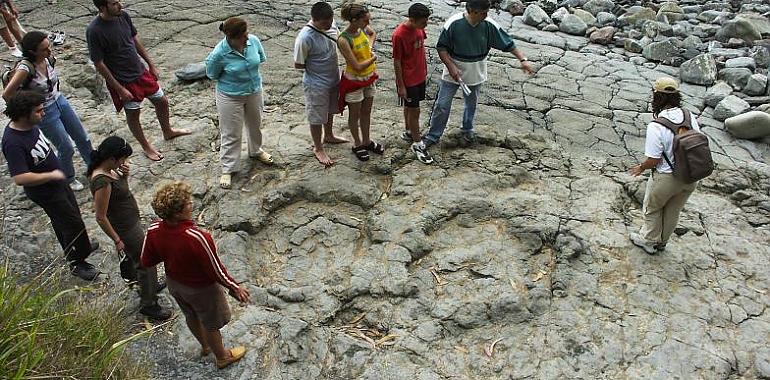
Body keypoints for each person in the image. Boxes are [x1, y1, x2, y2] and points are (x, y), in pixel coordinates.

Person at [141, 181, 251, 369]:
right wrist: (234, 287)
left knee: (191, 315)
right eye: (188, 203)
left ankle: (206, 346)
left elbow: (146, 260)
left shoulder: (154, 230)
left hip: (175, 284)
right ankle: (222, 356)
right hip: (201, 289)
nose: (192, 204)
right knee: (211, 323)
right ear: (178, 212)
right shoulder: (197, 237)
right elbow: (215, 269)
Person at [1, 91, 100, 281]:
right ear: (23, 114)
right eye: (38, 111)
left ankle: (82, 245)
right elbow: (20, 177)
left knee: (70, 217)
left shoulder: (31, 126)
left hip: (57, 182)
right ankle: (76, 262)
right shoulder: (13, 142)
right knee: (71, 223)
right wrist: (50, 175)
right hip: (46, 191)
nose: (43, 114)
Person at [86, 0, 190, 162]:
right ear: (102, 8)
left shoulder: (123, 16)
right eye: (114, 3)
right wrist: (119, 89)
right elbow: (99, 63)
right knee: (133, 113)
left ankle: (167, 131)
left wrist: (151, 64)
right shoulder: (94, 30)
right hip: (123, 80)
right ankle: (146, 146)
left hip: (140, 71)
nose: (120, 5)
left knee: (161, 101)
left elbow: (134, 39)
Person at [422, 0, 533, 147]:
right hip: (453, 70)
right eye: (483, 12)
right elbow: (441, 48)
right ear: (472, 11)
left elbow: (508, 43)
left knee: (471, 103)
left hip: (476, 70)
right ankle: (433, 135)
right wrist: (450, 66)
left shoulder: (489, 25)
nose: (487, 15)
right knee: (442, 104)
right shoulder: (453, 24)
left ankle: (467, 129)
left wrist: (523, 59)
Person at [87, 136, 172, 320]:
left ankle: (147, 285)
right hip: (125, 228)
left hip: (130, 222)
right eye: (122, 159)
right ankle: (149, 303)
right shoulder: (102, 182)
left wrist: (123, 175)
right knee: (146, 262)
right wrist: (117, 240)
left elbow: (119, 194)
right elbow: (100, 217)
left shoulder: (110, 171)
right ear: (112, 158)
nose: (124, 162)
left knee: (141, 260)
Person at [3, 31, 94, 191]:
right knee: (65, 146)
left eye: (48, 47)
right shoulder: (25, 68)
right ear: (33, 51)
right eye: (44, 49)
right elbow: (7, 94)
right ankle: (67, 178)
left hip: (59, 100)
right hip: (44, 110)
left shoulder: (49, 60)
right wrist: (24, 113)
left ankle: (94, 168)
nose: (49, 51)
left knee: (82, 137)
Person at [629, 77, 701, 254]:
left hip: (667, 177)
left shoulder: (657, 125)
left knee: (652, 207)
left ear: (657, 97)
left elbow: (653, 160)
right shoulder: (688, 115)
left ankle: (649, 241)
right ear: (677, 96)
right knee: (673, 210)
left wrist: (641, 167)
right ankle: (662, 242)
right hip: (691, 176)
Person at [206, 17, 273, 189]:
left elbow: (260, 59)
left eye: (247, 33)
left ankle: (256, 150)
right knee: (231, 132)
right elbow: (212, 74)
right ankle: (228, 168)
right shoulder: (219, 53)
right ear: (232, 37)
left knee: (255, 124)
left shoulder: (254, 41)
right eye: (243, 35)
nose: (247, 37)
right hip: (230, 95)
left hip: (254, 90)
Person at [293, 1, 349, 167]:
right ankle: (318, 147)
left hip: (333, 78)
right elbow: (298, 64)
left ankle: (329, 135)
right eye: (325, 23)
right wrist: (317, 68)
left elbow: (339, 40)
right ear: (314, 19)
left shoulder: (331, 26)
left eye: (331, 21)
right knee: (317, 115)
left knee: (331, 109)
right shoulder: (305, 37)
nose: (330, 25)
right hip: (316, 84)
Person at [337, 0, 384, 161]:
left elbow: (372, 34)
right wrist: (373, 58)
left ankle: (367, 140)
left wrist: (369, 48)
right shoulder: (344, 39)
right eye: (365, 20)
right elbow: (356, 66)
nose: (368, 23)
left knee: (366, 112)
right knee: (355, 114)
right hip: (354, 81)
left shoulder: (362, 28)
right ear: (354, 20)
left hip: (369, 77)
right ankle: (357, 143)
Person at [392, 3, 433, 164]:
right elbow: (397, 62)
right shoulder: (399, 35)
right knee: (415, 110)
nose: (425, 25)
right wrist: (401, 85)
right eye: (423, 22)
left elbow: (421, 47)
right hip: (408, 79)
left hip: (420, 75)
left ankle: (409, 131)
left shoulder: (419, 29)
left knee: (409, 107)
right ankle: (417, 143)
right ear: (412, 19)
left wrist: (424, 69)